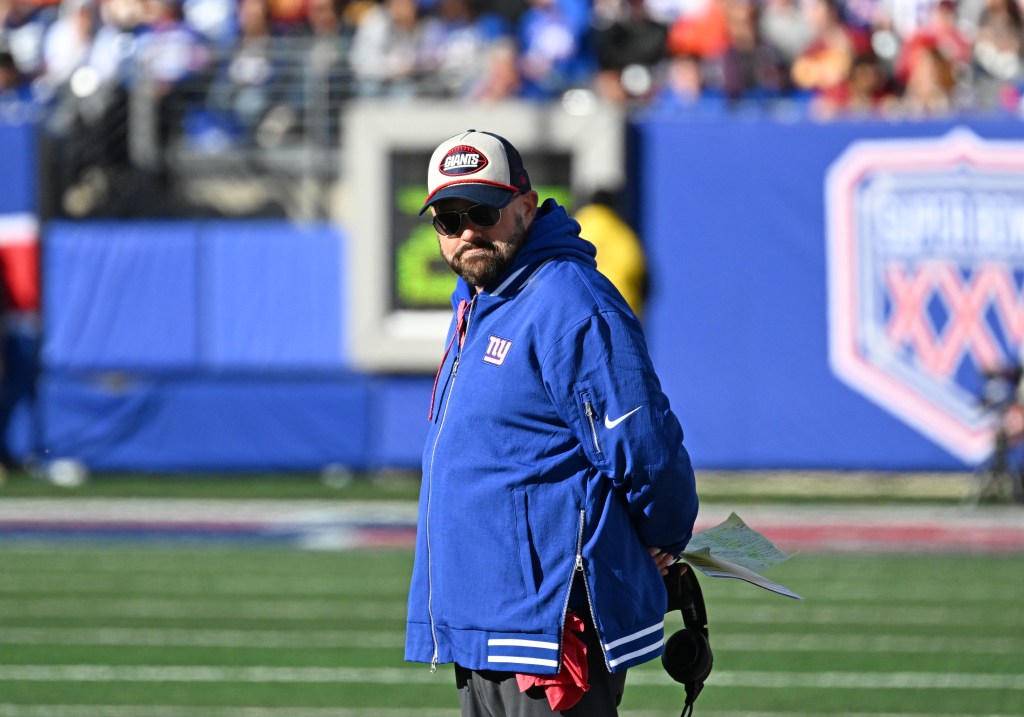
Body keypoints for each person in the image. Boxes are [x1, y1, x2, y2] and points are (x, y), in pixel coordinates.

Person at [405, 129, 700, 716]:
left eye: (482, 212)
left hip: (546, 633)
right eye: (447, 217)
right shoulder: (480, 298)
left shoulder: (569, 299)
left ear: (525, 205)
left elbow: (645, 447)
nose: (466, 231)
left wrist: (666, 538)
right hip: (483, 624)